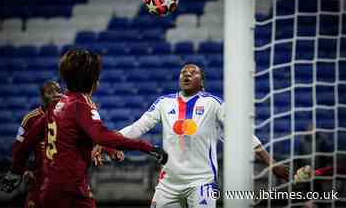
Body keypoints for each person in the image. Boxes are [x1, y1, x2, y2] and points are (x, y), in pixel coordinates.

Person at [0, 49, 168, 208]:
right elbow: (101, 135)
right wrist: (147, 147)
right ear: (94, 82)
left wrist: (16, 170)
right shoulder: (81, 104)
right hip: (70, 191)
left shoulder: (58, 103)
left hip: (49, 188)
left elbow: (30, 139)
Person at [105, 63, 289, 208]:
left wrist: (271, 162)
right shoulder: (164, 103)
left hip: (202, 183)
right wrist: (109, 141)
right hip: (169, 182)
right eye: (183, 72)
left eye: (193, 73)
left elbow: (242, 133)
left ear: (202, 82)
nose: (186, 74)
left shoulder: (213, 104)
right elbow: (138, 127)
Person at [12, 81, 61, 208]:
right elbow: (19, 147)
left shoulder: (68, 116)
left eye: (58, 91)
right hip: (39, 179)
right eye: (50, 92)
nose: (55, 95)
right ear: (42, 96)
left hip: (64, 180)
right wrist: (25, 171)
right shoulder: (31, 118)